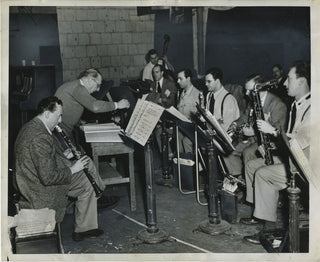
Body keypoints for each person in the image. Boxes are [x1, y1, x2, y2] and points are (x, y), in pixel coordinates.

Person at [14, 96, 104, 241]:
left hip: (32, 179)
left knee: (86, 171)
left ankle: (89, 216)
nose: (60, 120)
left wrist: (64, 156)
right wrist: (73, 169)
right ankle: (84, 227)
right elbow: (48, 177)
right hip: (38, 190)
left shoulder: (33, 125)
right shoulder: (40, 137)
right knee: (87, 182)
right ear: (48, 114)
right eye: (59, 115)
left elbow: (43, 159)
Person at [242, 60, 310, 244]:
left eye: (289, 79)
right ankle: (259, 213)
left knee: (263, 174)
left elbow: (302, 142)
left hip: (305, 168)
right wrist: (272, 147)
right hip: (292, 158)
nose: (285, 83)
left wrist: (272, 133)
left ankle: (269, 230)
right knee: (251, 165)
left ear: (302, 82)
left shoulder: (311, 107)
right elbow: (292, 137)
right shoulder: (298, 104)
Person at [55, 68, 130, 208]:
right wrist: (117, 105)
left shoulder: (72, 86)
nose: (97, 89)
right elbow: (95, 106)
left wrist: (79, 122)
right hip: (60, 133)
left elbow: (70, 108)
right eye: (97, 85)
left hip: (63, 130)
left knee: (82, 158)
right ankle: (95, 195)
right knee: (82, 161)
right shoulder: (79, 88)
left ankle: (93, 193)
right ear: (90, 79)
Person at [204, 67, 240, 132]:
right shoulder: (209, 95)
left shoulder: (229, 99)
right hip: (210, 132)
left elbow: (228, 127)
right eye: (205, 81)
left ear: (217, 81)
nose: (206, 84)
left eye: (209, 81)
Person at [176, 68, 201, 153]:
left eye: (180, 79)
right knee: (177, 136)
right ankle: (181, 163)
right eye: (177, 79)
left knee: (186, 142)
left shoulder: (197, 94)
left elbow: (199, 117)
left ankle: (191, 163)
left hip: (193, 128)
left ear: (188, 79)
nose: (178, 81)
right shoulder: (181, 93)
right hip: (182, 127)